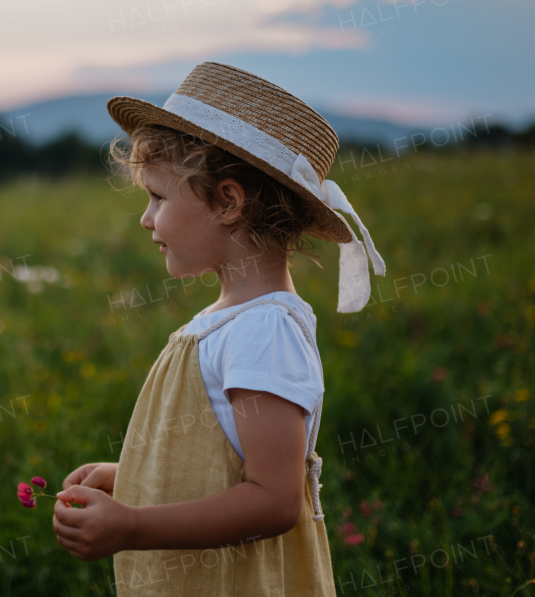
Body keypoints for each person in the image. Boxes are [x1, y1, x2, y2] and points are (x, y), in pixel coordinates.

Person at [51, 62, 387, 595]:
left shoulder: (264, 331)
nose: (146, 218)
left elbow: (273, 501)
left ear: (228, 202)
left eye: (158, 197)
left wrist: (133, 526)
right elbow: (222, 460)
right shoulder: (230, 320)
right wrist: (133, 474)